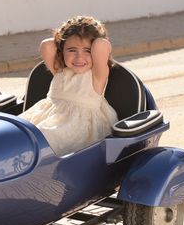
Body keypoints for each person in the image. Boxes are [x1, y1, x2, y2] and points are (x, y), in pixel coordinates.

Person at [20, 15, 118, 156]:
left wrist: (92, 38)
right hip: (50, 117)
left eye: (87, 51)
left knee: (41, 138)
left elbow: (102, 45)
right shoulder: (60, 71)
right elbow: (46, 46)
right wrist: (63, 40)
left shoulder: (97, 75)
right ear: (62, 50)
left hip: (78, 128)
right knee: (19, 133)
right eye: (72, 50)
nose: (79, 58)